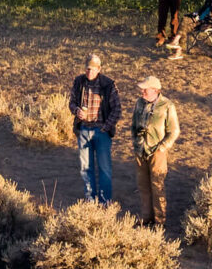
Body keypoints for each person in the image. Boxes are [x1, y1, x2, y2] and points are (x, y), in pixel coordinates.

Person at [68, 53, 119, 205]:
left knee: (104, 169)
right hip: (84, 129)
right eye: (88, 69)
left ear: (99, 69)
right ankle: (90, 200)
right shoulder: (79, 82)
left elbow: (117, 109)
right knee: (86, 168)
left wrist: (106, 127)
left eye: (93, 69)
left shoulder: (108, 85)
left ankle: (105, 201)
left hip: (101, 132)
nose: (89, 72)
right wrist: (76, 110)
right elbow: (71, 102)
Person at [129, 75, 180, 227]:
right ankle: (146, 218)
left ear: (155, 90)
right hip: (140, 150)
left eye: (145, 89)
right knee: (143, 186)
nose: (142, 92)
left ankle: (159, 221)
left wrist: (162, 148)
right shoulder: (139, 103)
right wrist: (135, 141)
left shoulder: (167, 106)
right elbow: (133, 125)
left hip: (157, 152)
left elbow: (174, 131)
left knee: (157, 186)